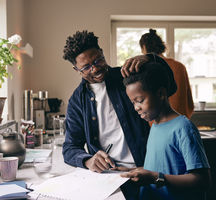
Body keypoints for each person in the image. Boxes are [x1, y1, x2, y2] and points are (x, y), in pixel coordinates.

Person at [62, 30, 176, 199]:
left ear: (101, 51)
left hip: (146, 169)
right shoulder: (77, 101)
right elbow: (70, 148)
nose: (95, 69)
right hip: (109, 178)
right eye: (86, 67)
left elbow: (170, 87)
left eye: (98, 60)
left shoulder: (127, 77)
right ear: (76, 69)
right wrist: (88, 160)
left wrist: (150, 59)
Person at [119, 62, 211, 200]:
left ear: (161, 93)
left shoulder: (183, 128)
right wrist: (131, 171)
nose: (136, 107)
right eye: (133, 102)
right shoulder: (155, 126)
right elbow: (162, 166)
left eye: (140, 100)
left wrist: (155, 178)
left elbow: (202, 180)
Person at [139, 29, 194, 119]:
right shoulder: (180, 67)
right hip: (180, 121)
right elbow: (189, 103)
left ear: (144, 47)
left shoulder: (146, 68)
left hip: (155, 124)